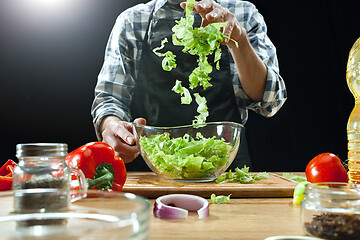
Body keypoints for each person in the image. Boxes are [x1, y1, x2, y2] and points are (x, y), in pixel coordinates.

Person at [91, 0, 287, 171]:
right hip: (152, 173)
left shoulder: (244, 12)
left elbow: (269, 99)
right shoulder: (132, 21)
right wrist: (112, 126)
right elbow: (110, 98)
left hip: (227, 172)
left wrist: (240, 40)